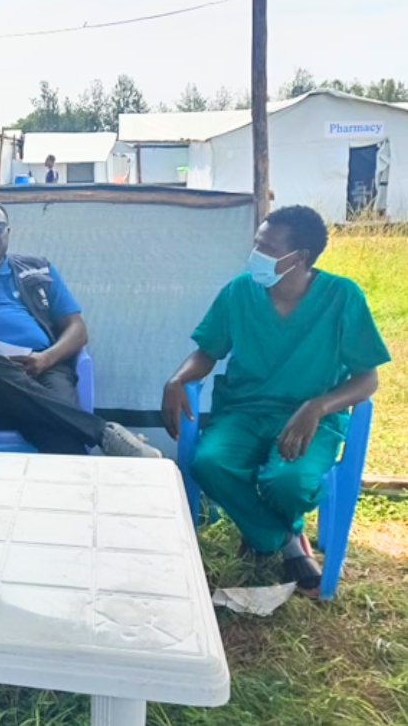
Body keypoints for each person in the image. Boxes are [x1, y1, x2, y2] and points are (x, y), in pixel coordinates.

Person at [160, 205, 390, 592]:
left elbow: (367, 378)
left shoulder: (341, 296)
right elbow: (208, 351)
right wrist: (177, 379)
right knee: (209, 463)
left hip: (309, 419)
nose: (255, 255)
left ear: (298, 258)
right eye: (256, 244)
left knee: (289, 482)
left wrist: (318, 406)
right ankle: (285, 539)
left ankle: (264, 535)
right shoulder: (239, 292)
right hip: (243, 412)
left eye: (266, 247)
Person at [0, 199, 161, 458]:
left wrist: (46, 359)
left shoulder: (39, 267)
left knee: (55, 429)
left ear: (8, 232)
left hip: (44, 366)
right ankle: (103, 433)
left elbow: (77, 330)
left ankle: (74, 489)